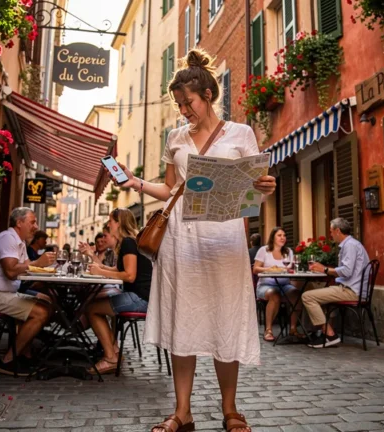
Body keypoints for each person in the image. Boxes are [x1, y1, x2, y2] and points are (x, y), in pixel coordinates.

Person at [112, 49, 276, 432]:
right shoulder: (175, 137)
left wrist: (265, 186)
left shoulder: (241, 134)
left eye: (189, 103)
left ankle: (231, 410)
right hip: (182, 238)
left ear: (208, 96)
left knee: (224, 320)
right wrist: (134, 182)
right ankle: (182, 413)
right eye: (179, 105)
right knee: (183, 324)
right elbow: (170, 188)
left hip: (224, 239)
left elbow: (256, 184)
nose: (184, 111)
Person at [82, 208, 152, 374]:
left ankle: (111, 357)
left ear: (119, 222)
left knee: (91, 309)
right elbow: (116, 270)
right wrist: (97, 264)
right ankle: (114, 352)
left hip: (141, 298)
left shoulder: (129, 242)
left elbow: (129, 276)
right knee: (97, 303)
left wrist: (100, 272)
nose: (108, 224)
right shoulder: (129, 241)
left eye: (111, 221)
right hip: (142, 296)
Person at [0, 207, 56, 375]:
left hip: (8, 293)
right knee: (40, 312)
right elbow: (12, 271)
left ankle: (25, 355)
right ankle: (8, 361)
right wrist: (38, 263)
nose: (36, 226)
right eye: (32, 222)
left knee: (47, 305)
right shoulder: (8, 239)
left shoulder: (19, 242)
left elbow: (28, 269)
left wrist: (46, 267)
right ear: (19, 223)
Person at [303, 217, 370, 349]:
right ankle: (322, 332)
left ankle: (329, 335)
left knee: (307, 296)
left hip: (351, 291)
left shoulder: (350, 245)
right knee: (320, 295)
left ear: (338, 231)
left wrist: (325, 269)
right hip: (352, 288)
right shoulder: (353, 244)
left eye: (331, 231)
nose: (331, 235)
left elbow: (347, 271)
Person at [253, 228, 303, 342]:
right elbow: (255, 269)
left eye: (284, 235)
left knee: (296, 295)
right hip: (265, 285)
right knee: (274, 295)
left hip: (284, 285)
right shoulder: (264, 250)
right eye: (279, 235)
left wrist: (292, 269)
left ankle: (293, 328)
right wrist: (269, 269)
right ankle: (268, 330)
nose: (282, 237)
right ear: (273, 237)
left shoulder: (288, 251)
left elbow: (290, 268)